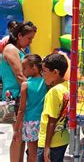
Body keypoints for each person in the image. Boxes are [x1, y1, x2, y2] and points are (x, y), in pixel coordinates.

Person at [1, 21, 37, 161]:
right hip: (16, 96)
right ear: (20, 35)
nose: (30, 41)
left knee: (21, 135)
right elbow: (19, 75)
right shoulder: (11, 49)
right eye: (29, 38)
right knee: (18, 136)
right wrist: (36, 92)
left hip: (21, 95)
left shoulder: (19, 50)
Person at [13, 54, 47, 162]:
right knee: (41, 151)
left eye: (24, 68)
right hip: (43, 121)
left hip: (30, 123)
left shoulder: (25, 85)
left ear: (34, 68)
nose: (22, 71)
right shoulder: (46, 82)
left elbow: (22, 109)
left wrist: (16, 129)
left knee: (32, 154)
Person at [37, 53, 70, 162]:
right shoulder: (67, 86)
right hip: (62, 139)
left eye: (44, 71)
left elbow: (52, 120)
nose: (42, 74)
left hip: (50, 143)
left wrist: (46, 147)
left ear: (55, 72)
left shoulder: (54, 92)